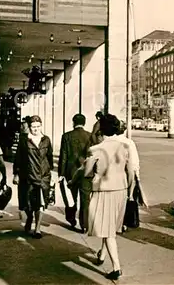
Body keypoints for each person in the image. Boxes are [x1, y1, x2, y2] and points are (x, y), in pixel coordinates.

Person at [85, 114, 134, 281]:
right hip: (121, 189)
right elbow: (131, 172)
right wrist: (129, 189)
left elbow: (87, 172)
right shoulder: (125, 147)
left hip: (103, 191)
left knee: (107, 230)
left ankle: (117, 268)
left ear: (101, 129)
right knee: (110, 227)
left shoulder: (96, 149)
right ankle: (102, 255)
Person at [13, 115, 54, 239]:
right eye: (33, 126)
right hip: (28, 176)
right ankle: (29, 217)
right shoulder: (24, 140)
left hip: (43, 176)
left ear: (41, 126)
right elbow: (18, 158)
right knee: (28, 203)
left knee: (40, 203)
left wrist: (50, 174)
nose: (35, 129)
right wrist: (16, 174)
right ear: (29, 127)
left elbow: (50, 157)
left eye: (37, 126)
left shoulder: (46, 140)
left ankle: (38, 228)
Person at [58, 114, 91, 232]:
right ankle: (85, 225)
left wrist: (61, 173)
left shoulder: (66, 136)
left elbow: (64, 156)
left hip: (70, 172)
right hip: (86, 172)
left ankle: (71, 219)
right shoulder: (90, 136)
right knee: (85, 199)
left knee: (71, 198)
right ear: (84, 122)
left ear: (73, 122)